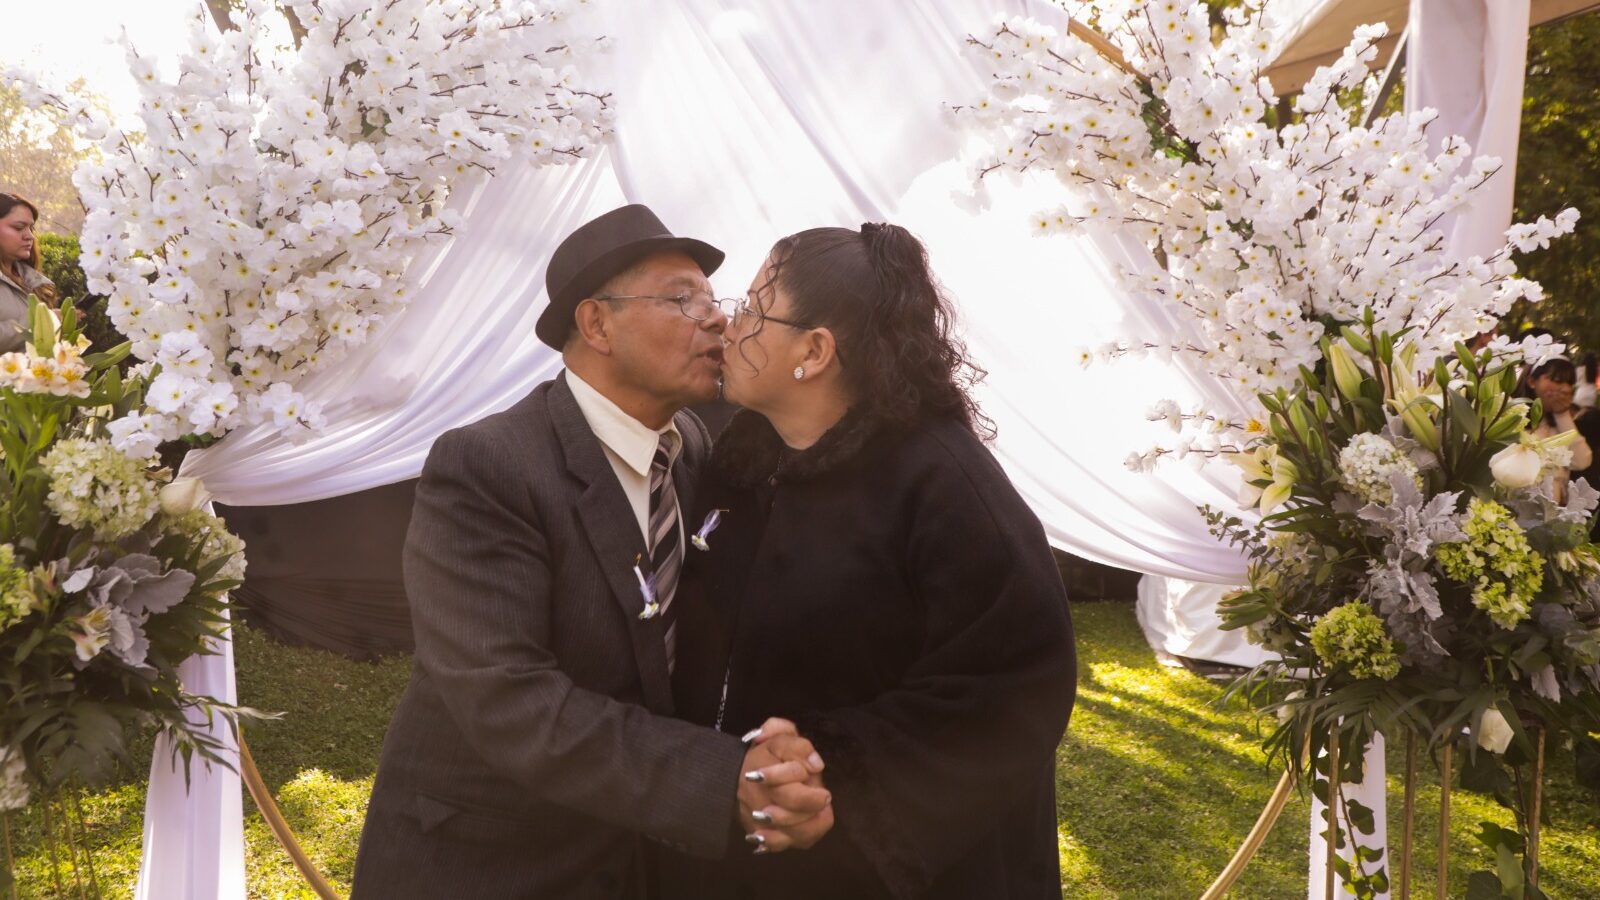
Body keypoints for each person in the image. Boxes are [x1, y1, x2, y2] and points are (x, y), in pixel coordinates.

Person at [353, 205, 834, 899]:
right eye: (680, 298)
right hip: (490, 862)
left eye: (713, 299)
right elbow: (507, 698)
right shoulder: (490, 465)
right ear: (596, 325)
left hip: (629, 857)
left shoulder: (694, 448)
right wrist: (721, 776)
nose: (718, 320)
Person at [663, 224, 1077, 900]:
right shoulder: (742, 457)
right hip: (741, 851)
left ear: (815, 351)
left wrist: (830, 772)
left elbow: (1012, 682)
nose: (726, 321)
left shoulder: (944, 485)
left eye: (753, 306)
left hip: (890, 869)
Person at [1520, 355, 1594, 503]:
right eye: (1557, 380)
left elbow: (1581, 461)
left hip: (1550, 516)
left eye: (1569, 383)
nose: (1565, 389)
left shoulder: (1561, 424)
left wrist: (1562, 415)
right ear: (1532, 381)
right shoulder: (1515, 419)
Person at [0, 192, 58, 353]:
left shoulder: (34, 280)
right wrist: (44, 321)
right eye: (19, 227)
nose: (30, 236)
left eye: (31, 228)